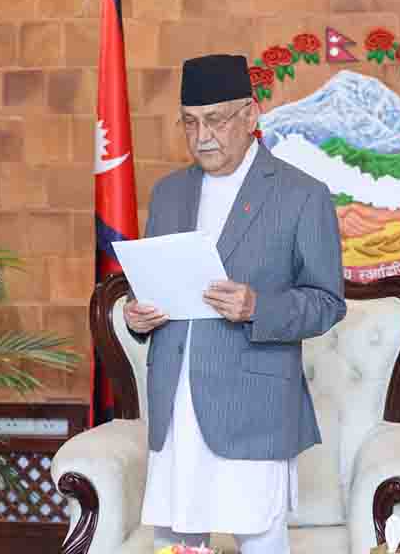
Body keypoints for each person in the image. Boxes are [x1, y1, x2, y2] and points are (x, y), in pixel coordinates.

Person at [123, 54, 346, 554]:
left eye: (215, 120)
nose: (202, 136)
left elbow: (328, 302)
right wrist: (137, 316)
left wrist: (257, 307)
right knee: (175, 543)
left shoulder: (302, 195)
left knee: (260, 538)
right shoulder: (168, 193)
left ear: (251, 114)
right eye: (189, 122)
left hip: (253, 405)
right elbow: (150, 285)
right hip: (175, 403)